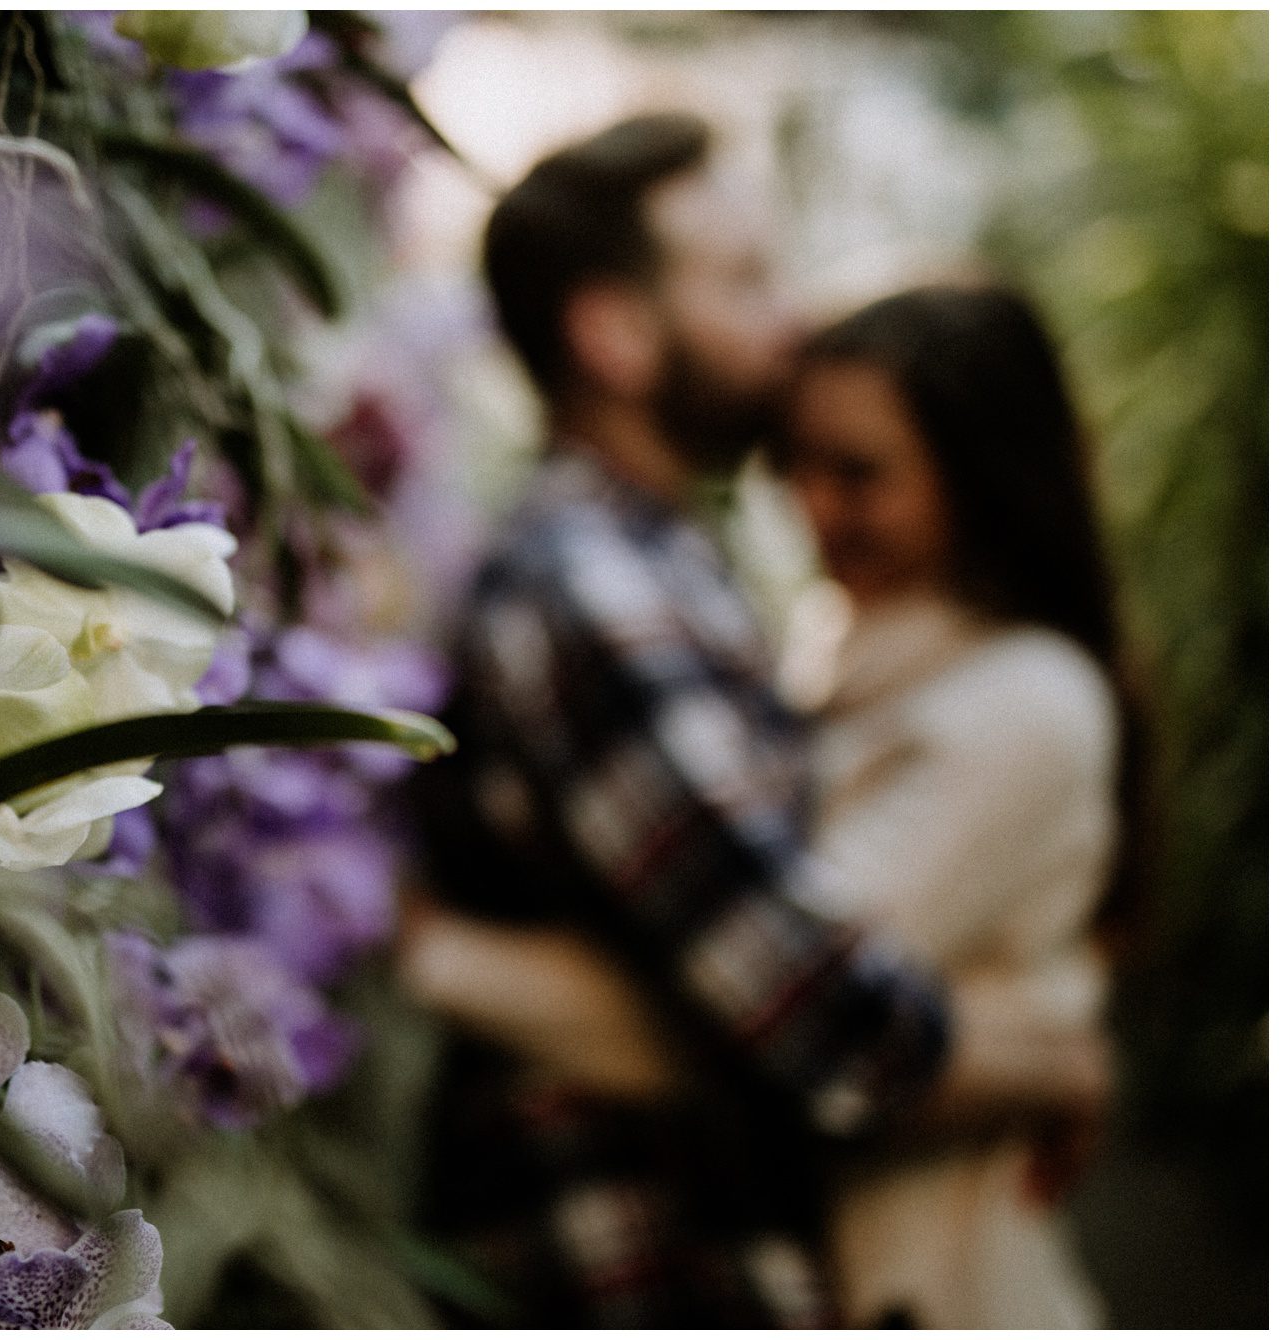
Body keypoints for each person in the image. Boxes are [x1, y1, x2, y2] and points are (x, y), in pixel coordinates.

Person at [405, 113, 952, 1328]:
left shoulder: (651, 552)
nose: (791, 318)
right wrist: (1051, 1053)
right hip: (638, 1267)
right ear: (611, 332)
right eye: (745, 279)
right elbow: (829, 1020)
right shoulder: (594, 585)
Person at [765, 284, 1133, 1327]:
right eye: (797, 460)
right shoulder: (844, 646)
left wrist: (438, 955)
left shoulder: (1021, 705)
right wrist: (1043, 1064)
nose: (811, 504)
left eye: (857, 472)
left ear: (980, 475)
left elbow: (775, 1011)